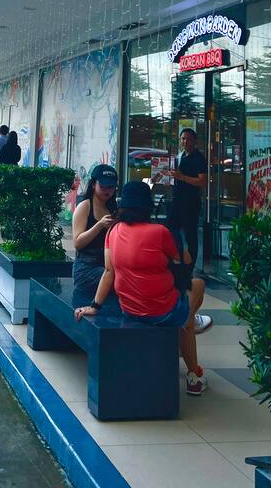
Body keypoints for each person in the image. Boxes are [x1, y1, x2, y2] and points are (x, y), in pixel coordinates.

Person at [74, 180, 213, 396]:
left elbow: (109, 272)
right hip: (162, 312)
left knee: (183, 312)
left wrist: (94, 306)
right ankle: (193, 370)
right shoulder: (160, 232)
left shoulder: (113, 231)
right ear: (148, 206)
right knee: (198, 285)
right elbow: (185, 261)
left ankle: (188, 322)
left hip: (130, 309)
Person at [71, 164, 119, 310]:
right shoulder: (85, 206)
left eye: (111, 187)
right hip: (86, 268)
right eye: (103, 186)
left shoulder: (114, 208)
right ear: (93, 185)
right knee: (116, 280)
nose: (107, 190)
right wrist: (99, 225)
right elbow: (77, 243)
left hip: (108, 265)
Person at [166, 128, 207, 271]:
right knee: (170, 231)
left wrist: (182, 177)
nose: (185, 142)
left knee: (191, 236)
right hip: (176, 201)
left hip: (190, 203)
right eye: (183, 139)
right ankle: (173, 262)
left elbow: (202, 181)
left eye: (188, 139)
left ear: (194, 141)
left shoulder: (199, 158)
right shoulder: (179, 156)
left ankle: (190, 268)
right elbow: (176, 176)